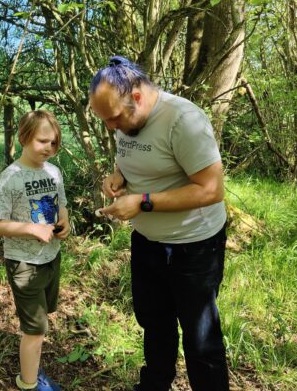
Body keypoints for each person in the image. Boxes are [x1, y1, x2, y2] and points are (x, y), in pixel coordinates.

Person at [89, 56, 229, 391]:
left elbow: (211, 189)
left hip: (194, 246)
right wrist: (118, 176)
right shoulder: (127, 120)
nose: (111, 127)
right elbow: (134, 155)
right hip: (147, 243)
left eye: (114, 118)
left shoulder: (183, 120)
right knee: (155, 325)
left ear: (136, 97)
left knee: (201, 340)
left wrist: (142, 201)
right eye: (106, 120)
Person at [0, 109, 71, 391]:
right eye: (42, 141)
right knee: (35, 329)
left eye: (54, 143)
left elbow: (61, 203)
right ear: (24, 138)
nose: (49, 148)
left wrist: (65, 221)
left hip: (51, 257)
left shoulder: (54, 172)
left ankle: (32, 366)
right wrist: (31, 229)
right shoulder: (10, 177)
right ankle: (28, 384)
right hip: (24, 263)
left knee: (41, 319)